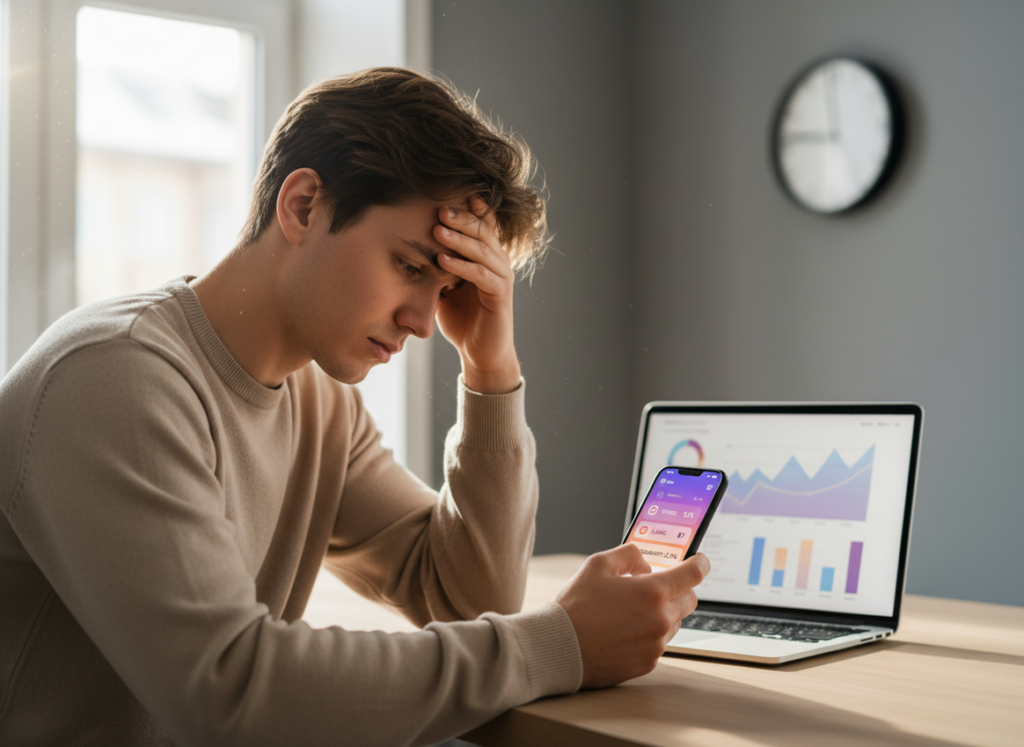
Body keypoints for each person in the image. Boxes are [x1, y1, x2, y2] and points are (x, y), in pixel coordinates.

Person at [0, 67, 709, 746]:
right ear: (303, 204)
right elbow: (230, 695)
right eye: (410, 267)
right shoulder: (116, 377)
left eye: (447, 288)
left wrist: (490, 370)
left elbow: (466, 598)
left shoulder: (317, 398)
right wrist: (563, 643)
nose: (426, 322)